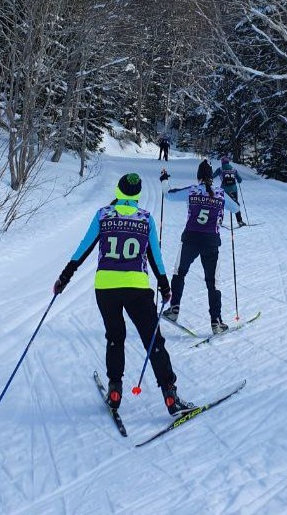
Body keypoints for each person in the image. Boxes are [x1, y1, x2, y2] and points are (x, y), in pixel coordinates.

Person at [53, 173, 194, 416]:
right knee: (153, 340)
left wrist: (64, 277)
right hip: (137, 287)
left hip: (106, 287)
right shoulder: (146, 219)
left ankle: (115, 390)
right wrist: (164, 285)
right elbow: (155, 257)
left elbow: (83, 248)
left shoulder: (103, 214)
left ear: (118, 189)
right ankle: (170, 394)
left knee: (115, 337)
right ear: (138, 194)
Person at [162, 162, 241, 334]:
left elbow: (168, 195)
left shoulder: (192, 190)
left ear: (198, 177)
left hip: (190, 238)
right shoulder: (220, 193)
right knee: (213, 282)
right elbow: (236, 208)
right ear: (212, 177)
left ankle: (174, 309)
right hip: (211, 241)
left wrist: (164, 180)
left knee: (179, 273)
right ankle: (216, 322)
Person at [213, 155, 245, 226]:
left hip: (224, 190)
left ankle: (219, 221)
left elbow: (212, 176)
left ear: (222, 162)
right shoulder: (234, 169)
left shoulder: (220, 169)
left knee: (221, 204)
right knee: (235, 204)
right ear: (228, 162)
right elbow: (240, 180)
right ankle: (240, 221)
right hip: (233, 190)